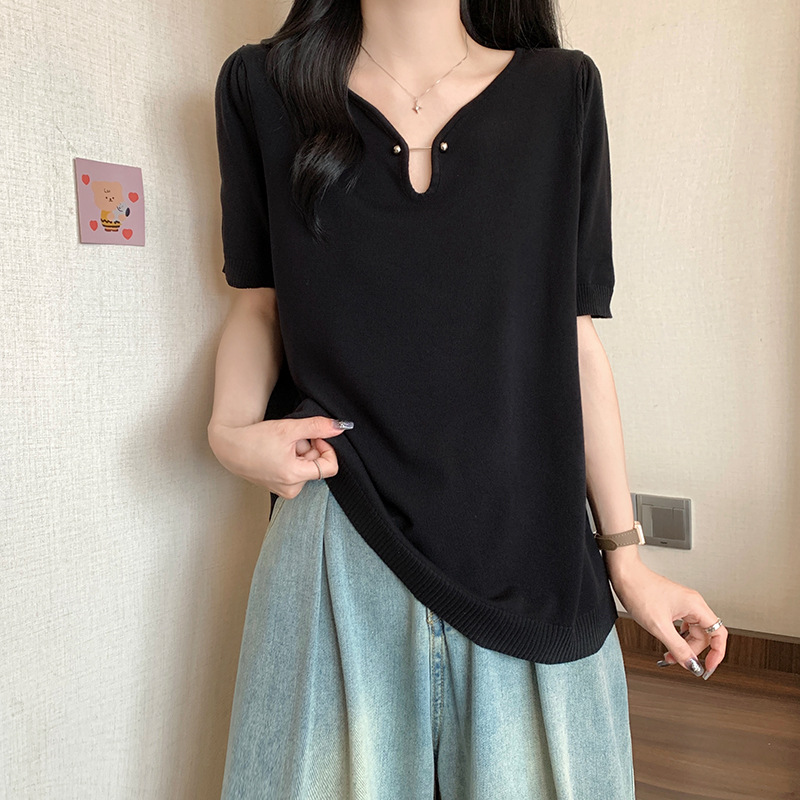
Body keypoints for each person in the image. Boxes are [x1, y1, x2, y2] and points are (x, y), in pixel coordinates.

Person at [208, 1, 729, 797]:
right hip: (341, 537)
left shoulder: (562, 94)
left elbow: (574, 340)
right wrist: (227, 431)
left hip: (532, 550)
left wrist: (626, 559)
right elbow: (259, 302)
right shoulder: (262, 88)